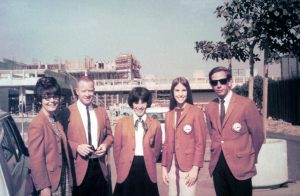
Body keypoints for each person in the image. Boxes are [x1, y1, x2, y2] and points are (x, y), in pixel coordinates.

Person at [205, 66, 265, 196]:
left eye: (222, 81)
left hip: (241, 166)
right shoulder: (210, 107)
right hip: (218, 165)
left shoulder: (246, 104)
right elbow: (213, 133)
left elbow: (258, 135)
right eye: (214, 83)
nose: (219, 85)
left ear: (230, 82)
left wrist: (250, 159)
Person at [62, 76, 113, 196]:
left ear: (94, 91)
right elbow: (59, 140)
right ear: (77, 91)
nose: (87, 94)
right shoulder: (66, 113)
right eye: (84, 91)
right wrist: (76, 147)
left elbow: (110, 136)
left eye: (90, 90)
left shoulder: (101, 111)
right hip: (78, 170)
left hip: (99, 167)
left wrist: (105, 145)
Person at [161, 77, 207, 196]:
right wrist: (164, 167)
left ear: (188, 92)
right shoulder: (169, 115)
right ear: (172, 92)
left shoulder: (196, 112)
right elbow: (166, 143)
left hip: (188, 167)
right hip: (171, 166)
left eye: (183, 90)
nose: (180, 94)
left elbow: (200, 143)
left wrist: (195, 168)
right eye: (177, 90)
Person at [113, 87, 162, 196]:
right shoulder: (122, 123)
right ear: (131, 103)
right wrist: (121, 169)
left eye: (143, 102)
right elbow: (117, 150)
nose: (140, 106)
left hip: (147, 168)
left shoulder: (155, 124)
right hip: (127, 168)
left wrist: (150, 159)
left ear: (147, 103)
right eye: (136, 102)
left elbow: (157, 149)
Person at [28, 76, 73, 195]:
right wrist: (43, 187)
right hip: (51, 182)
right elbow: (36, 160)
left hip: (63, 176)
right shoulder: (37, 124)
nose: (52, 100)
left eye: (54, 96)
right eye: (46, 97)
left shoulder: (55, 118)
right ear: (39, 100)